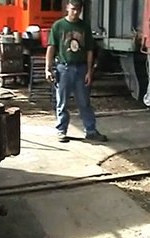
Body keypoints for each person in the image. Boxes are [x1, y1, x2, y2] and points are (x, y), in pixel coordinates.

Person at [45, 0, 107, 143]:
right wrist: (48, 69)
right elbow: (51, 47)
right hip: (64, 68)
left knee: (84, 102)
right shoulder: (58, 26)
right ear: (67, 8)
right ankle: (61, 130)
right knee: (62, 101)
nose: (75, 12)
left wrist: (89, 71)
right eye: (73, 9)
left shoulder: (84, 27)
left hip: (81, 68)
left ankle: (90, 130)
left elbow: (89, 50)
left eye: (78, 10)